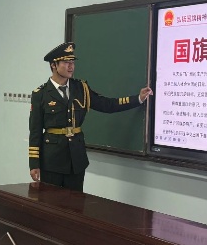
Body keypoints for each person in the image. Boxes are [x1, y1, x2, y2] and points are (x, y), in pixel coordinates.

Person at [29, 42, 152, 191]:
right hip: (52, 160)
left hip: (76, 159)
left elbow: (107, 105)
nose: (71, 66)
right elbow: (35, 131)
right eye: (66, 62)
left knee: (75, 202)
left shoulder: (81, 88)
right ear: (53, 65)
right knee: (51, 201)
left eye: (73, 62)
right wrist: (34, 164)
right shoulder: (41, 94)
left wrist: (137, 99)